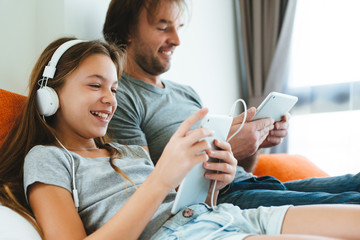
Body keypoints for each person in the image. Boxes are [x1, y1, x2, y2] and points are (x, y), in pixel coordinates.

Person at [1, 36, 359, 240]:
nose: (110, 98)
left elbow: (178, 200)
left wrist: (215, 179)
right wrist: (161, 177)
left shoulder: (125, 150)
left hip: (223, 213)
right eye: (95, 85)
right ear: (50, 94)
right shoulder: (47, 158)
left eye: (113, 87)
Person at [103, 0, 360, 209]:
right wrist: (228, 148)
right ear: (128, 30)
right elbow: (146, 191)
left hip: (251, 182)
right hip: (221, 200)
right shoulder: (120, 98)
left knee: (354, 182)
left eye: (178, 26)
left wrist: (254, 141)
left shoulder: (186, 93)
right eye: (163, 27)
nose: (177, 39)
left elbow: (239, 168)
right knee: (348, 204)